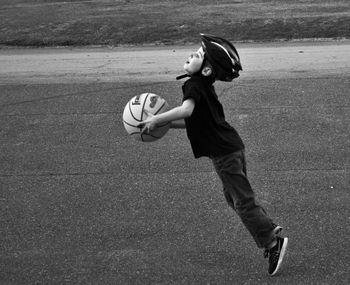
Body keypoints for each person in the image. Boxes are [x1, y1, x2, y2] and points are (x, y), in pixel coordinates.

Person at [138, 34, 288, 276]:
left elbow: (186, 110)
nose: (190, 56)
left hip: (225, 153)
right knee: (235, 198)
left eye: (196, 56)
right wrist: (163, 126)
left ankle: (272, 242)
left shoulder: (194, 85)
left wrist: (157, 118)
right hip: (230, 147)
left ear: (207, 70)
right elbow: (195, 123)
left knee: (242, 201)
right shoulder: (203, 86)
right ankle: (269, 228)